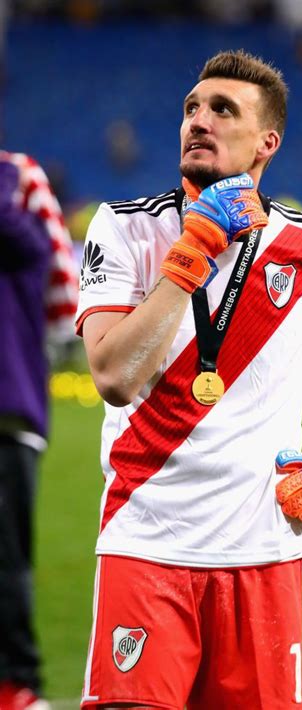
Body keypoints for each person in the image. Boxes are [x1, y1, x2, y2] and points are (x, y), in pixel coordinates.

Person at [76, 50, 302, 710]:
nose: (199, 120)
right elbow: (116, 376)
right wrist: (193, 252)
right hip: (145, 547)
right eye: (191, 108)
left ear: (268, 143)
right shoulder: (125, 226)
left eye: (222, 110)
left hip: (265, 556)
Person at [0, 151, 78, 710]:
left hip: (8, 408)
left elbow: (64, 295)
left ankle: (16, 684)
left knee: (4, 561)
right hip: (16, 404)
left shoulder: (18, 185)